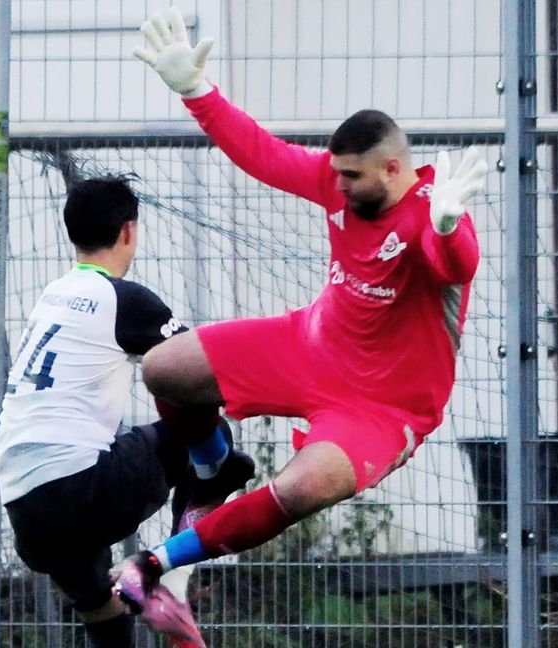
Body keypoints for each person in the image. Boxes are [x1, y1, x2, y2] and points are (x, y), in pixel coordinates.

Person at [111, 7, 488, 625]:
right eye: (334, 172)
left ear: (392, 170)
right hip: (311, 345)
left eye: (351, 175)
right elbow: (262, 153)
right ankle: (214, 473)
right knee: (164, 368)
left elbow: (456, 267)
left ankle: (154, 566)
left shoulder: (434, 211)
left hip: (384, 406)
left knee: (302, 487)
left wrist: (447, 226)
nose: (333, 184)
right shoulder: (338, 182)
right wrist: (196, 92)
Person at [0, 175, 254, 648]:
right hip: (82, 487)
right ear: (129, 231)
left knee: (104, 612)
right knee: (204, 435)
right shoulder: (124, 298)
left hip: (24, 508)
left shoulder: (51, 297)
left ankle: (138, 596)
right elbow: (198, 369)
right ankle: (174, 580)